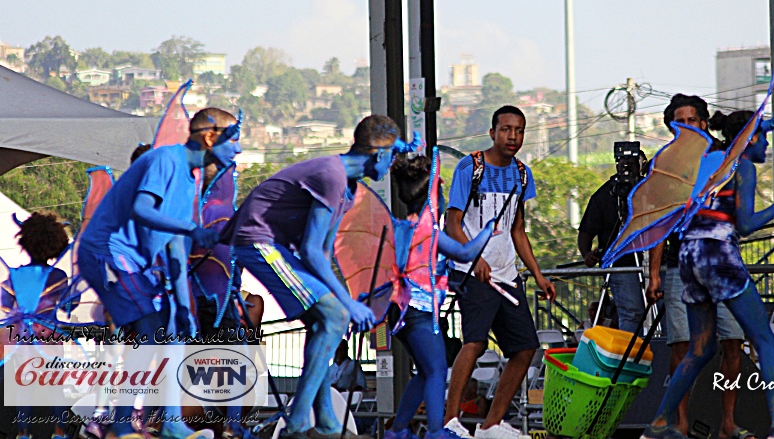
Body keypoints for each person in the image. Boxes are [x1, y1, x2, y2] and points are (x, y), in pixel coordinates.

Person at [223, 115, 401, 439]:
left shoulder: (348, 188)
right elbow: (310, 251)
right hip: (259, 241)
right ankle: (296, 424)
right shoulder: (332, 176)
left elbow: (325, 251)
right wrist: (346, 303)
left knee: (325, 322)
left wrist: (346, 298)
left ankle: (327, 422)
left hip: (282, 248)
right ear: (379, 154)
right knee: (335, 314)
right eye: (392, 157)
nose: (392, 165)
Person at [642, 109, 774, 439]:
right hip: (718, 256)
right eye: (763, 138)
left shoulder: (708, 161)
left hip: (689, 257)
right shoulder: (743, 166)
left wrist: (763, 123)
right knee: (764, 340)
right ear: (749, 139)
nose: (766, 145)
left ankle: (660, 422)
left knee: (701, 350)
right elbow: (747, 224)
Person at [77, 107, 239, 439]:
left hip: (133, 263)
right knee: (152, 328)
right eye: (234, 140)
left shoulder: (189, 179)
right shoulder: (166, 159)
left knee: (173, 327)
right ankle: (129, 425)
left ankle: (168, 421)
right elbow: (142, 209)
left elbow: (175, 245)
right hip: (107, 253)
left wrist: (184, 305)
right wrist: (194, 228)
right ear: (210, 137)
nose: (237, 150)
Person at [443, 105, 557, 439]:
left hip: (507, 273)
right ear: (493, 132)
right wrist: (473, 256)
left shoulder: (522, 174)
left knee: (525, 349)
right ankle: (451, 421)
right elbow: (452, 221)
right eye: (506, 129)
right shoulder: (471, 166)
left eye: (519, 130)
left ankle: (492, 424)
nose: (513, 136)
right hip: (473, 270)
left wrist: (537, 274)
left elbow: (517, 229)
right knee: (475, 343)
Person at [644, 94, 749, 439]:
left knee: (733, 340)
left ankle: (728, 423)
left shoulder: (722, 159)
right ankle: (681, 422)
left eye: (693, 120)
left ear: (704, 123)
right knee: (682, 344)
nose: (687, 127)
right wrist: (654, 272)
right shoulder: (664, 165)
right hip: (679, 265)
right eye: (680, 121)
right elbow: (658, 222)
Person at [384, 152, 496, 439]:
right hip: (420, 313)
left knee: (423, 372)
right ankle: (437, 431)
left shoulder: (401, 227)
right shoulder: (429, 231)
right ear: (434, 197)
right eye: (442, 192)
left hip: (398, 312)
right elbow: (465, 252)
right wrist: (487, 229)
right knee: (435, 371)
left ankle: (397, 430)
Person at [2, 211, 72, 439]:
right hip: (50, 335)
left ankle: (23, 433)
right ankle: (59, 432)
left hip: (21, 336)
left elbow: (4, 302)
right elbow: (69, 305)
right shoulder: (58, 276)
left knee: (23, 386)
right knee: (55, 386)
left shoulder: (14, 275)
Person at [578, 141, 647, 334]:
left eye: (632, 163)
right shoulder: (605, 194)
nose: (626, 167)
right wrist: (586, 254)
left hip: (652, 259)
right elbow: (585, 232)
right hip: (620, 262)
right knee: (632, 312)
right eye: (622, 162)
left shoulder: (649, 189)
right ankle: (630, 357)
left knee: (659, 312)